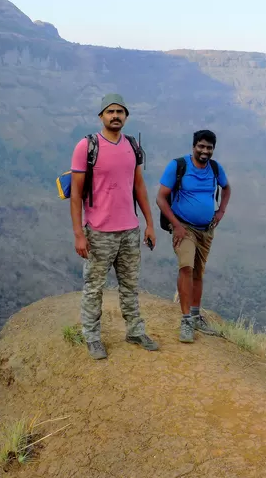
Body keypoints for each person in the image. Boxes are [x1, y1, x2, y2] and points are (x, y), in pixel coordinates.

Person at [70, 93, 159, 360]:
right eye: (110, 111)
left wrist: (149, 224)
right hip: (98, 231)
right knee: (94, 286)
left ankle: (134, 330)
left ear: (126, 117)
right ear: (101, 116)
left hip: (129, 230)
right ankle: (92, 337)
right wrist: (78, 234)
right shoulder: (87, 146)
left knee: (130, 284)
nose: (116, 116)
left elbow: (139, 187)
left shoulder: (131, 146)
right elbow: (75, 194)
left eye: (120, 112)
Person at [156, 130, 231, 343]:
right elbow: (161, 198)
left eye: (209, 147)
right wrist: (176, 225)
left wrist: (221, 211)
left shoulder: (215, 169)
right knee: (186, 267)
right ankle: (187, 320)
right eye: (201, 146)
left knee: (198, 271)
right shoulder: (178, 166)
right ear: (194, 146)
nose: (205, 151)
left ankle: (197, 316)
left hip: (206, 229)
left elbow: (226, 189)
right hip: (184, 227)